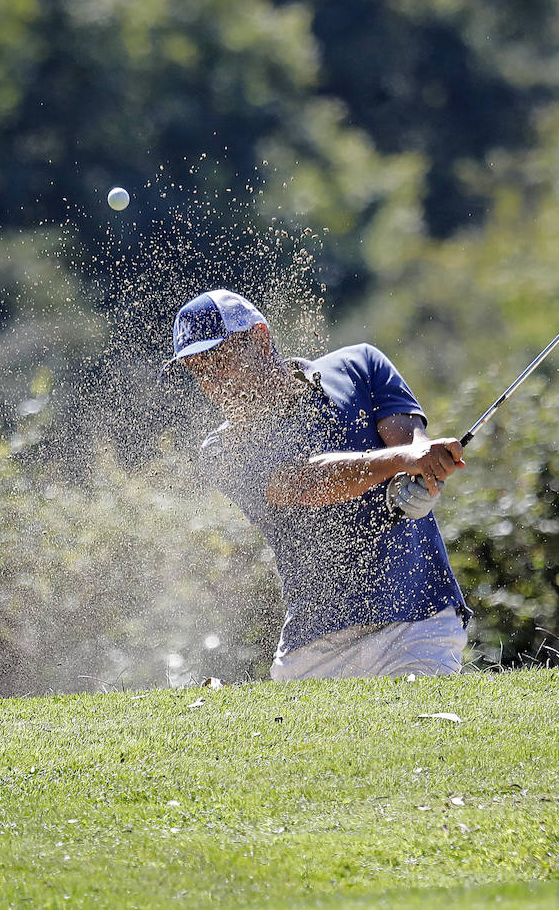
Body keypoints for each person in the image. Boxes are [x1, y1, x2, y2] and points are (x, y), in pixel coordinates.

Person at [161, 288, 473, 681]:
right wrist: (402, 462)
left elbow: (411, 442)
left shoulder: (360, 364)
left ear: (260, 338)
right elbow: (301, 482)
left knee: (420, 728)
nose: (214, 383)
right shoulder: (223, 449)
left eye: (219, 361)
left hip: (417, 619)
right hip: (314, 647)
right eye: (199, 372)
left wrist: (425, 473)